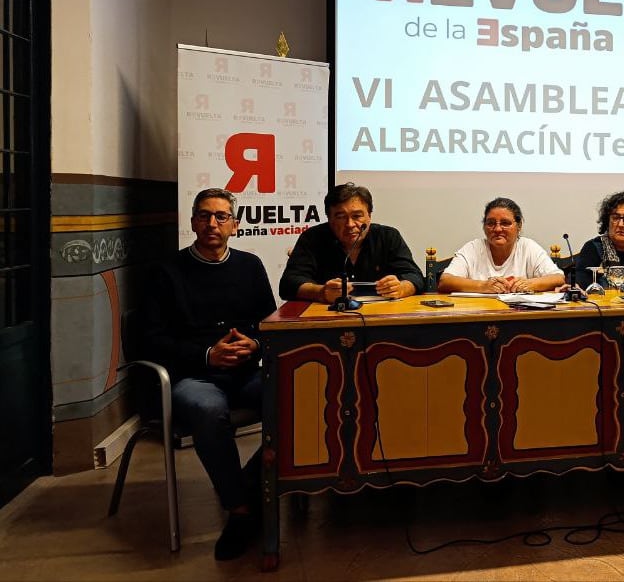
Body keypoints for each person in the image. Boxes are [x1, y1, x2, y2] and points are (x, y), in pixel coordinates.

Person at [136, 188, 277, 560]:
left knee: (296, 399)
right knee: (208, 411)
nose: (212, 223)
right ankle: (240, 510)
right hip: (192, 377)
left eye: (221, 216)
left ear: (235, 224)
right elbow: (150, 340)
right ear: (193, 221)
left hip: (246, 374)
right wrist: (207, 354)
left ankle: (246, 480)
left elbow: (269, 324)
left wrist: (256, 345)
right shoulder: (165, 272)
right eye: (204, 216)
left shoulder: (250, 266)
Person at [279, 183, 424, 302]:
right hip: (327, 319)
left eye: (357, 216)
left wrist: (401, 288)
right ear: (329, 219)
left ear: (369, 216)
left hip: (380, 317)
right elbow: (288, 284)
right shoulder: (312, 238)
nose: (350, 224)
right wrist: (321, 292)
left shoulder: (388, 236)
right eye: (341, 217)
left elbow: (415, 276)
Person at [437, 197, 565, 293]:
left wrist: (529, 284)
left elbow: (558, 278)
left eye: (505, 223)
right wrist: (482, 286)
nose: (497, 229)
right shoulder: (474, 248)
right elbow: (445, 281)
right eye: (491, 223)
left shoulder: (528, 247)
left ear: (519, 226)